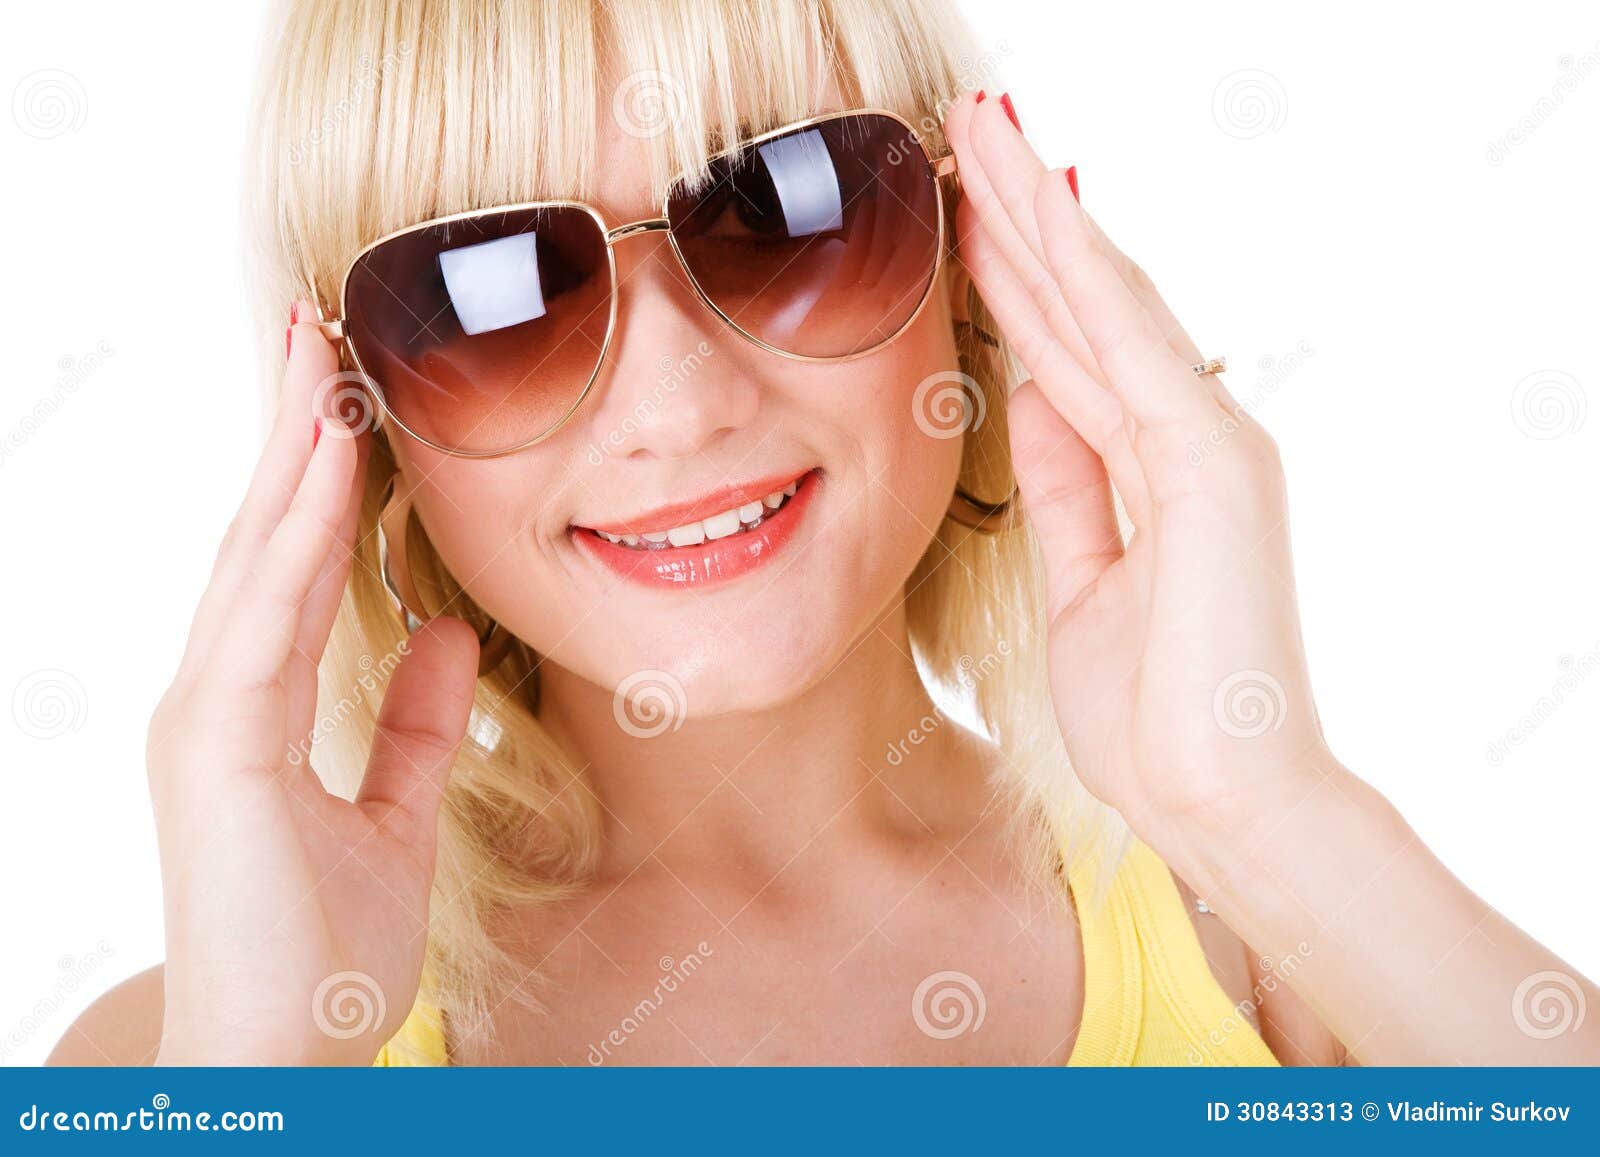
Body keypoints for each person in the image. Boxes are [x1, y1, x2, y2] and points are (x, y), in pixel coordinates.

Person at [50, 0, 1597, 1066]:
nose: (676, 405)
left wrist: (1265, 807)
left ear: (973, 258)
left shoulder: (1289, 958)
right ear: (362, 417)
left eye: (781, 213)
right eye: (487, 297)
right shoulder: (187, 1057)